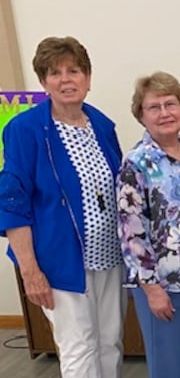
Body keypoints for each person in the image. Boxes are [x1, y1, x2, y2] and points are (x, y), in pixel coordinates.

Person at [0, 36, 126, 377]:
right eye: (55, 72)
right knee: (79, 347)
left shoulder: (101, 124)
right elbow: (13, 201)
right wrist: (30, 271)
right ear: (43, 81)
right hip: (58, 260)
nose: (66, 79)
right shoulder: (25, 129)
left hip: (109, 255)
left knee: (110, 342)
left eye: (74, 70)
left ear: (87, 77)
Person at [116, 72, 180, 377]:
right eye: (154, 107)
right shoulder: (136, 163)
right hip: (167, 288)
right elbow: (131, 232)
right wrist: (151, 290)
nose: (165, 113)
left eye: (171, 104)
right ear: (141, 115)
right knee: (170, 369)